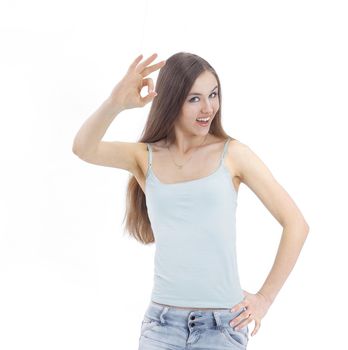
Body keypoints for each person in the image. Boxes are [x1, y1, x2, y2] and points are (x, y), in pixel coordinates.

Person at [72, 52, 310, 349]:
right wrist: (115, 103)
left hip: (221, 327)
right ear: (171, 101)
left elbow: (296, 224)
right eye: (194, 99)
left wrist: (265, 298)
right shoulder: (144, 157)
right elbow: (83, 148)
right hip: (161, 326)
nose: (208, 108)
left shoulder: (234, 154)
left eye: (213, 94)